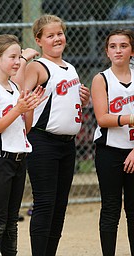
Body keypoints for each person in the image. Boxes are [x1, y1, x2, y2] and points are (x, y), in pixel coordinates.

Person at [12, 14, 90, 255]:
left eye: (59, 33)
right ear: (39, 40)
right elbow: (15, 88)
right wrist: (24, 60)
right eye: (50, 35)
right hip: (43, 141)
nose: (57, 38)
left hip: (67, 145)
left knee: (59, 206)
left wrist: (81, 99)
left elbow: (63, 101)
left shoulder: (71, 67)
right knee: (45, 204)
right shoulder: (38, 66)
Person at [0, 34, 43, 256]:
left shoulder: (14, 87)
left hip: (18, 159)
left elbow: (26, 129)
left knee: (12, 221)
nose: (17, 62)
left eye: (18, 57)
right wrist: (18, 109)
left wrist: (30, 106)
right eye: (12, 57)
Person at [91, 29, 134, 256]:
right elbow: (103, 118)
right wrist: (130, 119)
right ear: (107, 52)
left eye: (124, 45)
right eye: (113, 46)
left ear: (132, 51)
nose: (118, 50)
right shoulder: (101, 79)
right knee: (110, 209)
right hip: (109, 152)